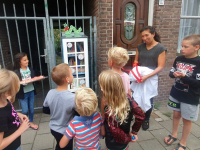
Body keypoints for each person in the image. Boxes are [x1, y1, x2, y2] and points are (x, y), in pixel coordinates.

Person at [164, 34, 200, 150]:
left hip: (190, 97)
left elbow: (198, 83)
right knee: (176, 115)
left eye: (186, 47)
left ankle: (183, 142)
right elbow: (171, 73)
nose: (182, 49)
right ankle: (174, 135)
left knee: (187, 120)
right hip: (176, 93)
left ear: (196, 47)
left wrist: (184, 76)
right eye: (182, 46)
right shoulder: (178, 59)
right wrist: (173, 74)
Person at [99, 70, 145, 150]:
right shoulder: (128, 98)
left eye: (102, 86)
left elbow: (115, 131)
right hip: (124, 140)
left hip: (112, 142)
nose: (100, 88)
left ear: (106, 89)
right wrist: (134, 132)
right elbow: (140, 115)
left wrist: (128, 138)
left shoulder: (108, 108)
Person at [134, 26, 166, 130]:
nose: (144, 38)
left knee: (148, 98)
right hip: (140, 76)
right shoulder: (140, 47)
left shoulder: (160, 48)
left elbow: (160, 67)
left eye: (146, 35)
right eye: (142, 36)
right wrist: (135, 72)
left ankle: (146, 118)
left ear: (153, 34)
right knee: (137, 96)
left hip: (151, 77)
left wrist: (147, 76)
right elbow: (136, 61)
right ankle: (138, 116)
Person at [43, 63, 76, 150]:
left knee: (59, 145)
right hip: (66, 130)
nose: (73, 75)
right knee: (66, 147)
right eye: (71, 74)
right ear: (67, 79)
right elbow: (79, 114)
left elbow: (45, 110)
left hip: (53, 128)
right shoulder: (72, 97)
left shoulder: (50, 92)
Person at [0, 69, 30, 150]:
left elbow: (9, 112)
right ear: (7, 92)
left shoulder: (5, 100)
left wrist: (18, 114)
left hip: (15, 144)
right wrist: (21, 130)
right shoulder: (1, 116)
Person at [101, 47, 131, 118]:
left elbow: (105, 99)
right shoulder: (126, 76)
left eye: (108, 58)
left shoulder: (107, 77)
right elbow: (129, 93)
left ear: (111, 62)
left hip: (110, 111)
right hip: (123, 109)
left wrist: (103, 114)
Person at [13, 53, 38, 130]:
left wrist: (37, 79)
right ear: (19, 62)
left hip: (31, 91)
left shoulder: (30, 69)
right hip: (23, 93)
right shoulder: (16, 71)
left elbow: (33, 78)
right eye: (25, 60)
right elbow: (15, 82)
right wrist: (21, 83)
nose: (27, 61)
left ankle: (30, 122)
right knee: (24, 110)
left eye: (27, 59)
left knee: (31, 108)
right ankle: (24, 122)